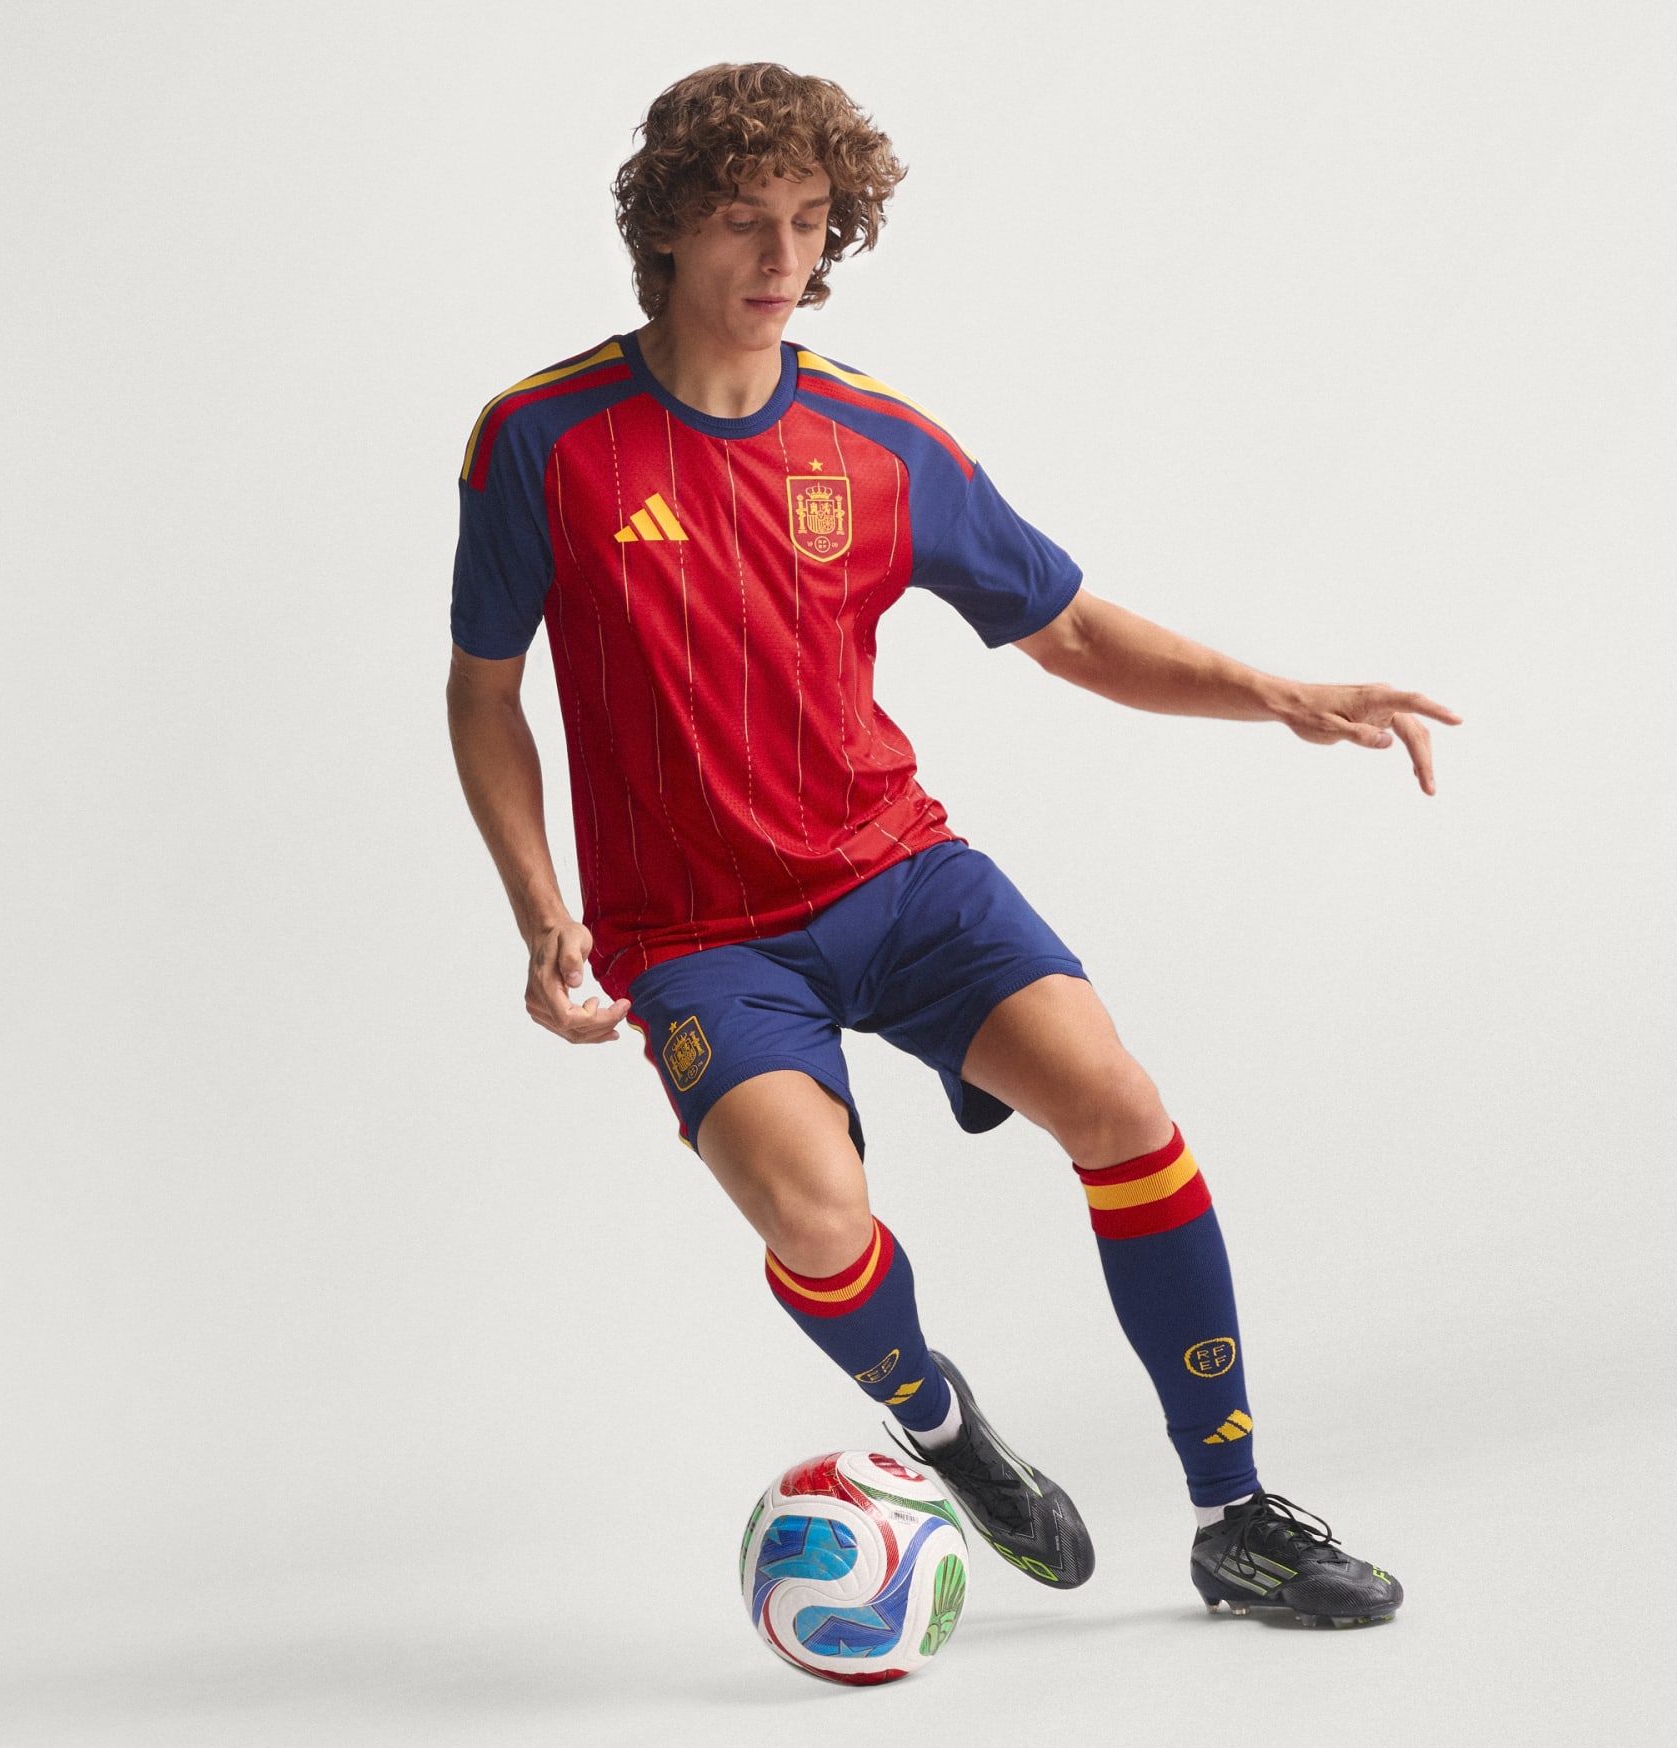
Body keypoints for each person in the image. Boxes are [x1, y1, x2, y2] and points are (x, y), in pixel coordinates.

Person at [446, 62, 1458, 1627]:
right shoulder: (543, 439)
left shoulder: (879, 443)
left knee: (1120, 1104)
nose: (783, 257)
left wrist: (1275, 694)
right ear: (669, 228)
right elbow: (485, 691)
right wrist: (539, 908)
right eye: (746, 220)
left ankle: (1236, 1512)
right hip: (697, 934)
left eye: (810, 221)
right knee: (815, 1218)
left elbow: (1071, 631)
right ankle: (934, 1414)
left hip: (896, 875)